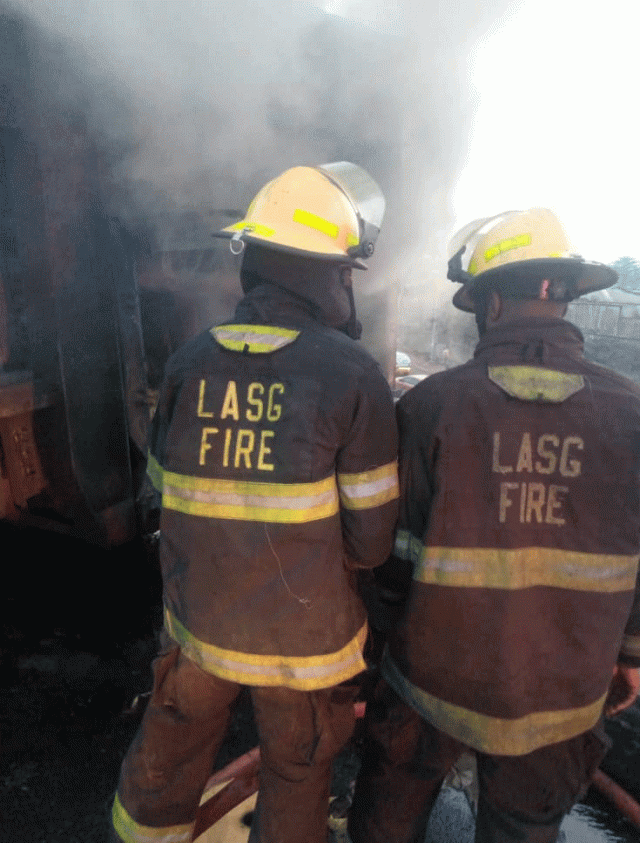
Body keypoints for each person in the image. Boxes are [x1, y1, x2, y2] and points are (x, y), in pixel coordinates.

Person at [110, 162, 399, 843]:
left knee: (165, 766)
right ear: (328, 275)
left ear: (254, 265)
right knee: (296, 777)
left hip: (200, 630)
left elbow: (162, 499)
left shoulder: (187, 363)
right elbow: (372, 543)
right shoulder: (352, 375)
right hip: (305, 650)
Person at [348, 208, 640, 843]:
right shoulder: (632, 413)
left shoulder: (430, 406)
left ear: (493, 305)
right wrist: (631, 657)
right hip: (562, 692)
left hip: (430, 681)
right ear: (560, 293)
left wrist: (374, 657)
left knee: (387, 822)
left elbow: (392, 560)